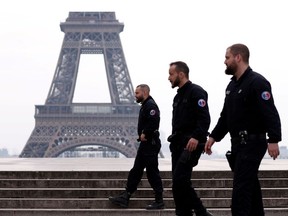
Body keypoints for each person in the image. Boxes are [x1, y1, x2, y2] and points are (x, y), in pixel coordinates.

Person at [204, 43, 281, 216]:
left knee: (240, 194)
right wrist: (213, 137)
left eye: (227, 57)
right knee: (251, 191)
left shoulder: (257, 82)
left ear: (238, 57)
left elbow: (270, 112)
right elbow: (225, 117)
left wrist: (274, 139)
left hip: (252, 143)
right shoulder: (231, 87)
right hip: (238, 145)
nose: (225, 61)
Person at [109, 84, 164, 210]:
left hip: (150, 144)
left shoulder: (150, 105)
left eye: (137, 93)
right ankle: (126, 196)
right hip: (146, 144)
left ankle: (159, 200)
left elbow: (154, 122)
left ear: (144, 92)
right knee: (136, 170)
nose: (135, 95)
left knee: (152, 172)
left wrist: (146, 133)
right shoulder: (145, 105)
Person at [168, 61, 213, 216]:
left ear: (181, 74)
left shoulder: (197, 92)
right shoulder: (177, 97)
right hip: (178, 144)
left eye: (171, 74)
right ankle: (183, 213)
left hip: (190, 144)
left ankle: (201, 212)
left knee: (180, 180)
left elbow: (204, 119)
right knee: (177, 184)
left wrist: (196, 137)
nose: (168, 77)